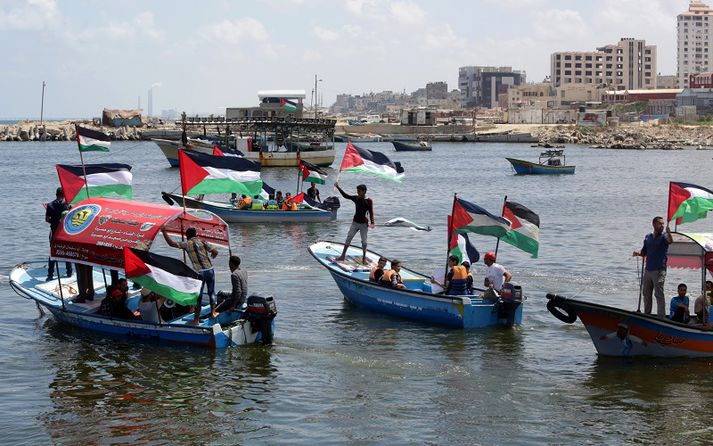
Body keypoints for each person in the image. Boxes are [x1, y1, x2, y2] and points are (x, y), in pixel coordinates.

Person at [162, 226, 219, 324]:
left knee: (198, 297)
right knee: (211, 292)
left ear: (187, 236)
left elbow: (171, 244)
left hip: (199, 272)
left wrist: (164, 232)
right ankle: (213, 312)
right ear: (196, 234)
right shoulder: (203, 242)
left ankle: (196, 319)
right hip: (210, 270)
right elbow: (215, 251)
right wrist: (213, 255)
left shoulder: (187, 244)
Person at [633, 216, 673, 317]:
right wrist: (637, 253)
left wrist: (669, 233)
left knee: (658, 294)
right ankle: (647, 315)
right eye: (660, 224)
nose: (662, 226)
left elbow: (670, 241)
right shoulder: (648, 237)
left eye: (663, 224)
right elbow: (644, 252)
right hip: (648, 270)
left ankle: (661, 318)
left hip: (659, 270)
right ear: (654, 224)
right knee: (646, 294)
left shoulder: (664, 236)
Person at [335, 181, 375, 263]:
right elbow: (346, 196)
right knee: (349, 237)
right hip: (355, 222)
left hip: (364, 224)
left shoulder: (369, 201)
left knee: (364, 241)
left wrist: (372, 222)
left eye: (359, 191)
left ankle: (364, 258)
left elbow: (371, 212)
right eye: (357, 191)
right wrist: (338, 187)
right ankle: (343, 255)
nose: (357, 192)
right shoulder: (356, 198)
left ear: (364, 191)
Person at [45, 187, 73, 281]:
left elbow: (47, 219)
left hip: (55, 231)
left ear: (56, 194)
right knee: (66, 251)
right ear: (64, 195)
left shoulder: (50, 205)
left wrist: (54, 223)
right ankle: (69, 272)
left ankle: (50, 275)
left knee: (53, 253)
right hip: (64, 232)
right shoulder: (68, 205)